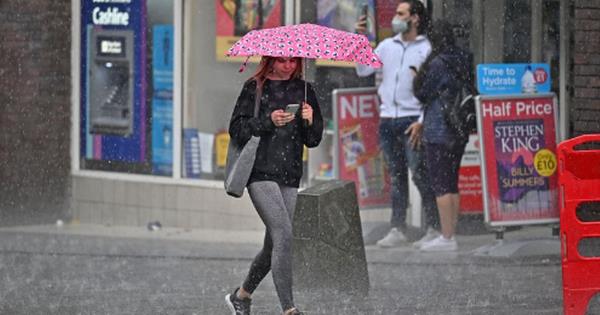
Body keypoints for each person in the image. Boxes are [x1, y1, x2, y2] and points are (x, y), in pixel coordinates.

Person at [225, 56, 323, 315]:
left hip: (289, 174)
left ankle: (242, 295)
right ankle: (289, 309)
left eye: (293, 61)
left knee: (274, 246)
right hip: (260, 172)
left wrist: (310, 120)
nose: (289, 66)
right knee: (283, 234)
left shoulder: (304, 90)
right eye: (283, 60)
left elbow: (313, 141)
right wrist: (269, 121)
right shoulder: (254, 87)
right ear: (270, 60)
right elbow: (236, 128)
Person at [355, 0, 440, 248]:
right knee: (397, 176)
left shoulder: (426, 49)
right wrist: (360, 42)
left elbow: (432, 90)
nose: (396, 18)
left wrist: (422, 121)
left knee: (420, 175)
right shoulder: (386, 46)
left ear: (415, 18)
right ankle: (398, 227)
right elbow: (363, 70)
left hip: (412, 120)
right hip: (388, 119)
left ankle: (434, 227)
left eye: (401, 14)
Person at [413, 19, 474, 251]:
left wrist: (417, 74)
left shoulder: (437, 63)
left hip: (439, 128)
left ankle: (447, 237)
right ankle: (452, 233)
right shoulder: (464, 57)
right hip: (458, 128)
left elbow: (423, 93)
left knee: (441, 184)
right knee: (453, 182)